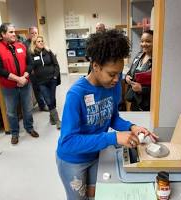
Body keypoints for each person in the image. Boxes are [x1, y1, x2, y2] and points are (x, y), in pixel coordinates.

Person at [56, 29, 157, 200]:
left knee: (97, 194)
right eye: (112, 74)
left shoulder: (113, 85)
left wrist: (132, 127)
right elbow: (68, 142)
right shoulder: (76, 94)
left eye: (119, 73)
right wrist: (114, 138)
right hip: (74, 160)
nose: (117, 79)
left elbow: (112, 117)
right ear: (95, 66)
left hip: (97, 153)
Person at [0, 23, 39, 145]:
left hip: (25, 84)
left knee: (28, 108)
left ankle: (29, 128)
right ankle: (15, 133)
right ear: (3, 34)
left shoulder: (21, 46)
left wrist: (24, 77)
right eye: (11, 32)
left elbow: (30, 63)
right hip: (9, 87)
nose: (14, 34)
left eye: (14, 31)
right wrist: (18, 79)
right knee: (11, 111)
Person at [28, 36, 61, 129]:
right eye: (39, 41)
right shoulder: (31, 54)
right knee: (48, 99)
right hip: (41, 82)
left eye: (42, 41)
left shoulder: (48, 52)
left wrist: (55, 76)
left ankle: (52, 117)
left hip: (52, 80)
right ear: (34, 44)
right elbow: (30, 67)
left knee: (52, 99)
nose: (41, 42)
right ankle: (58, 120)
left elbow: (56, 65)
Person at [125, 30, 153, 111]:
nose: (144, 44)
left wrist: (142, 89)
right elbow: (130, 72)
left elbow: (160, 87)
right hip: (134, 100)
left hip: (147, 103)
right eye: (142, 41)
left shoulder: (157, 61)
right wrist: (127, 77)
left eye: (148, 41)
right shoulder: (139, 55)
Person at [24, 27, 48, 112]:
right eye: (32, 33)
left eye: (35, 33)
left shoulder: (39, 42)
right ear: (28, 34)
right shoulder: (25, 45)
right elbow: (25, 59)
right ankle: (42, 105)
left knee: (44, 87)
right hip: (33, 71)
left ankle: (46, 103)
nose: (34, 35)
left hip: (42, 70)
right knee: (37, 89)